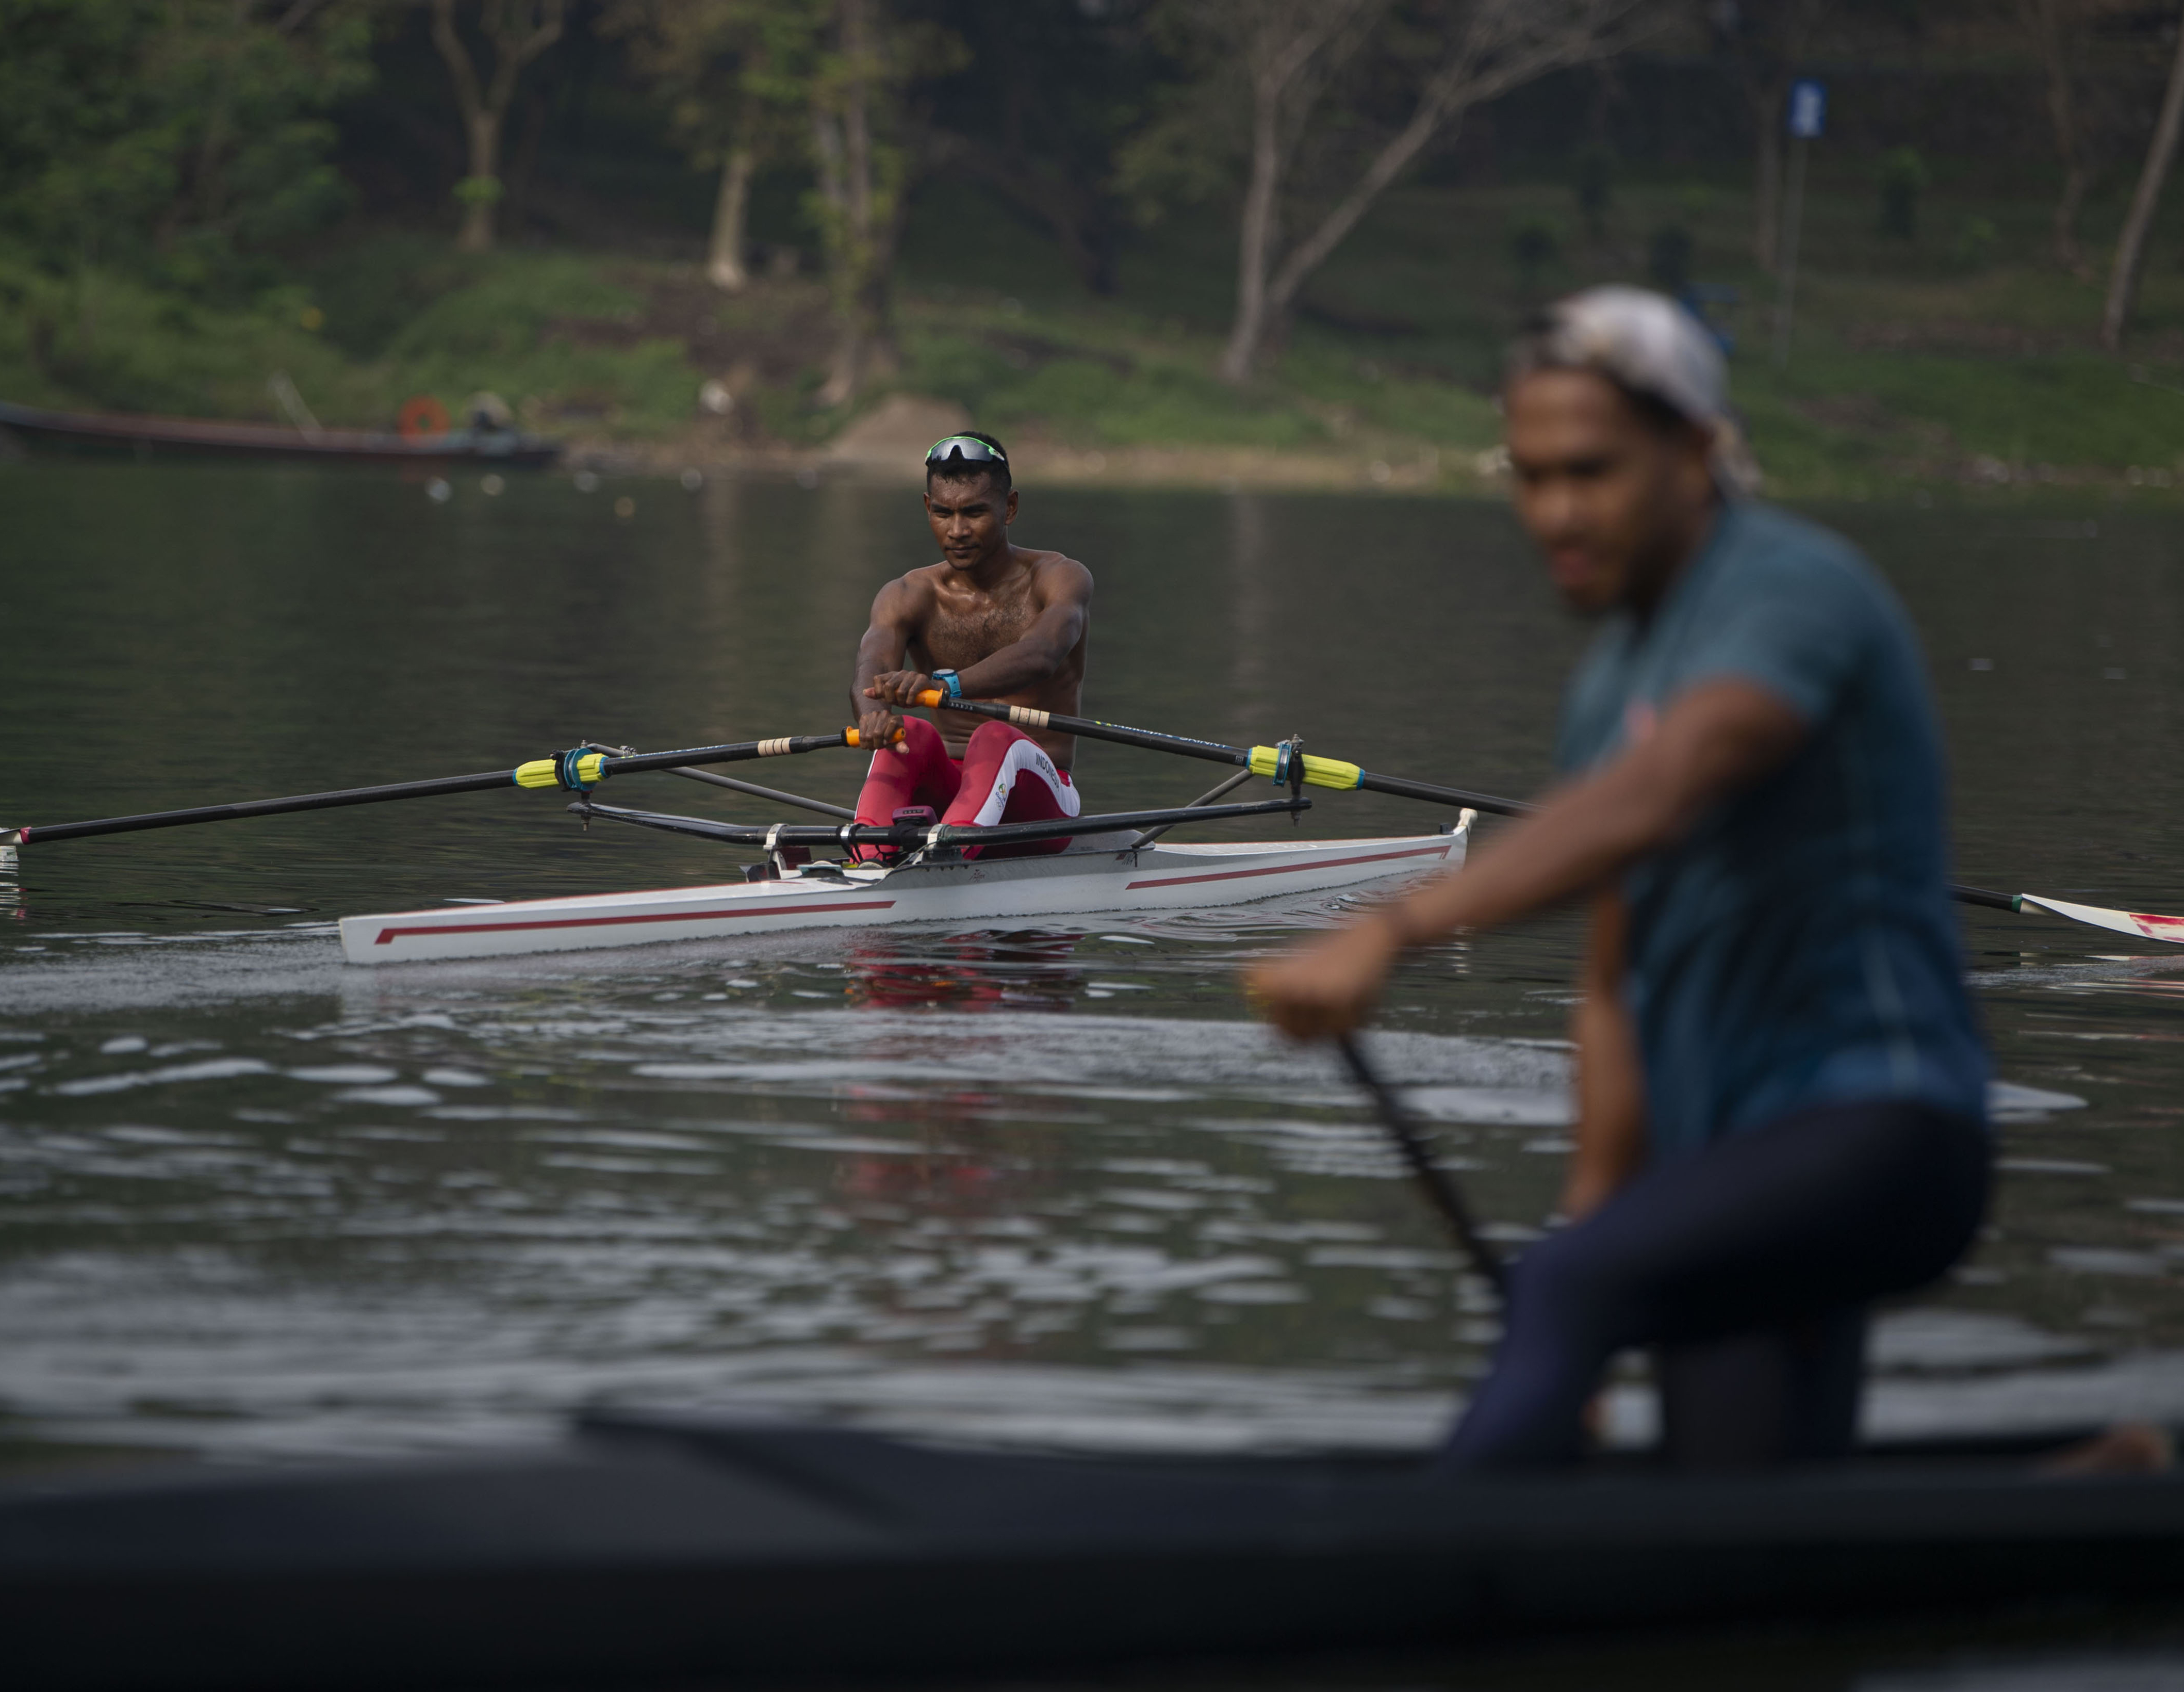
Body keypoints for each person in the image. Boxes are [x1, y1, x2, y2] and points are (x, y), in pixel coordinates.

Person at [1249, 287, 1992, 1472]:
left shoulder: (1791, 589)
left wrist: (1392, 928)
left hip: (1880, 1133)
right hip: (1718, 1177)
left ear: (1696, 451)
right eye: (1530, 474)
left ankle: (1425, 1574)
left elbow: (1665, 786)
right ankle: (2092, 1491)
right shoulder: (1607, 685)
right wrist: (1596, 1235)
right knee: (1738, 1536)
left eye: (1590, 470)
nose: (1554, 510)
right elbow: (1611, 987)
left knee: (1566, 1290)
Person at [850, 433, 1092, 860]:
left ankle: (944, 856)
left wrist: (949, 686)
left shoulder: (1059, 578)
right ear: (928, 508)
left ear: (1010, 508)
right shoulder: (908, 593)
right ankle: (868, 858)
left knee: (995, 736)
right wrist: (874, 719)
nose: (957, 531)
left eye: (975, 513)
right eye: (943, 513)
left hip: (1041, 803)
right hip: (951, 793)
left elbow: (1041, 654)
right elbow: (870, 671)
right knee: (908, 733)